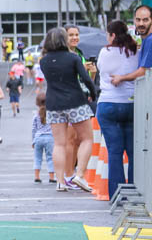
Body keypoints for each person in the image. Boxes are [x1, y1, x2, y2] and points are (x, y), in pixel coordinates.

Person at [39, 28, 98, 193]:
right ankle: (79, 175)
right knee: (86, 139)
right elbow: (86, 79)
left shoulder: (43, 61)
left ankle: (60, 181)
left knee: (59, 143)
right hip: (75, 102)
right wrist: (93, 94)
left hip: (53, 104)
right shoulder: (73, 58)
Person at [96, 19, 139, 199]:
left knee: (114, 151)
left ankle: (117, 196)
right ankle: (135, 191)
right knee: (133, 150)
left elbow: (100, 69)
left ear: (112, 35)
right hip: (131, 104)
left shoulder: (105, 52)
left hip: (108, 104)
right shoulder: (135, 50)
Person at [109, 5, 152, 87]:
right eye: (138, 20)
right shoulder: (145, 40)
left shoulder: (150, 40)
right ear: (134, 20)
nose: (141, 23)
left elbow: (143, 71)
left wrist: (121, 78)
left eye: (145, 20)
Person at [33, 92, 55, 183]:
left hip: (38, 138)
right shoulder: (51, 114)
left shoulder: (36, 115)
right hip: (50, 138)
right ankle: (51, 177)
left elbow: (33, 129)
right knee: (50, 158)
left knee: (38, 158)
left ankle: (37, 176)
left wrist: (33, 141)